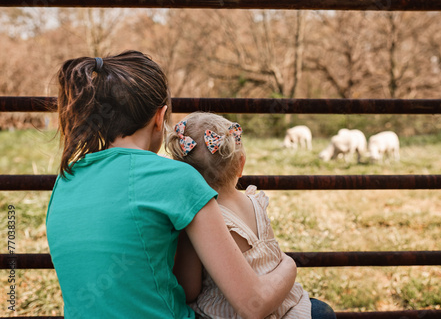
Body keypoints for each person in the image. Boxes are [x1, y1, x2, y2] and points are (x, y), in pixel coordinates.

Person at [45, 51, 298, 319]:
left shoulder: (66, 178)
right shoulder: (176, 177)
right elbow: (253, 304)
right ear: (160, 117)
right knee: (319, 310)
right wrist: (289, 264)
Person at [166, 111, 336, 319]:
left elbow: (189, 288)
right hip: (288, 307)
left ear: (182, 174)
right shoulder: (256, 202)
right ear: (241, 164)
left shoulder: (199, 220)